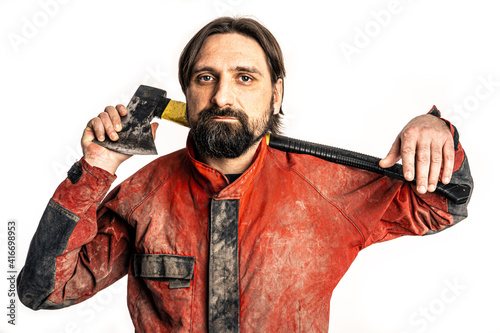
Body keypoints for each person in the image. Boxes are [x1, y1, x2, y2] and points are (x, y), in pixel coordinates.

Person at [18, 16, 473, 333]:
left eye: (245, 78)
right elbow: (44, 291)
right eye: (205, 78)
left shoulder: (329, 188)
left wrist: (437, 131)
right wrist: (95, 170)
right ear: (187, 95)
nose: (222, 98)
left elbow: (444, 204)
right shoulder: (143, 193)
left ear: (276, 93)